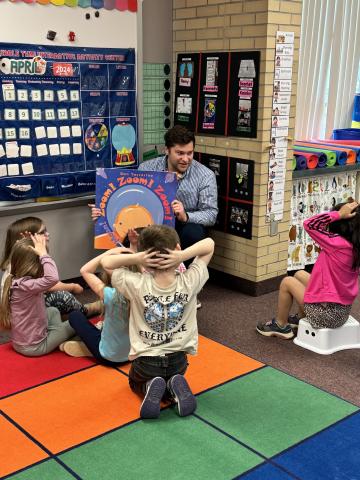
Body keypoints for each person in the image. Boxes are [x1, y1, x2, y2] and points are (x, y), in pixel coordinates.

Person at [101, 225, 214, 419]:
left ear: (145, 260)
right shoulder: (190, 280)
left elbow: (106, 262)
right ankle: (172, 385)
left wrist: (137, 257)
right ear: (177, 248)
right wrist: (182, 255)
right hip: (178, 361)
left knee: (133, 381)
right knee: (173, 373)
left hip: (147, 362)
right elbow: (209, 244)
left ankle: (148, 385)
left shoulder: (136, 283)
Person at [90, 125, 218, 252]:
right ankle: (137, 270)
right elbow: (130, 202)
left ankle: (182, 271)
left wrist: (186, 216)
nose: (185, 159)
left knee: (193, 233)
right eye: (180, 153)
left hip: (184, 225)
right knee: (129, 232)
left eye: (189, 153)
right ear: (167, 150)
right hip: (153, 222)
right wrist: (103, 211)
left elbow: (211, 214)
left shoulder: (205, 175)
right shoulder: (146, 168)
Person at [257, 201, 360, 339]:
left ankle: (281, 325)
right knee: (299, 274)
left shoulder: (337, 244)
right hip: (342, 313)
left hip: (326, 316)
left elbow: (309, 224)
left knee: (287, 282)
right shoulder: (355, 247)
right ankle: (301, 318)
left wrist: (339, 214)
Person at [0, 217, 100, 317]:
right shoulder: (25, 265)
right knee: (62, 297)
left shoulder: (19, 260)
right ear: (29, 240)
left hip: (23, 307)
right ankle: (86, 310)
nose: (48, 234)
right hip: (23, 315)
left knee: (56, 299)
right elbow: (51, 283)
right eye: (42, 232)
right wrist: (73, 287)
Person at [0, 234, 75, 356]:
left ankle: (58, 338)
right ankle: (67, 341)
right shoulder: (28, 285)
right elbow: (53, 278)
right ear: (36, 265)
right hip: (35, 347)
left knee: (53, 311)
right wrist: (44, 254)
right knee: (76, 320)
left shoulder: (16, 279)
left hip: (20, 343)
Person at [60, 246, 131, 365]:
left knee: (75, 316)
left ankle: (87, 348)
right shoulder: (144, 293)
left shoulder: (110, 295)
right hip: (132, 355)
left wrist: (108, 253)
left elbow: (85, 270)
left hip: (108, 357)